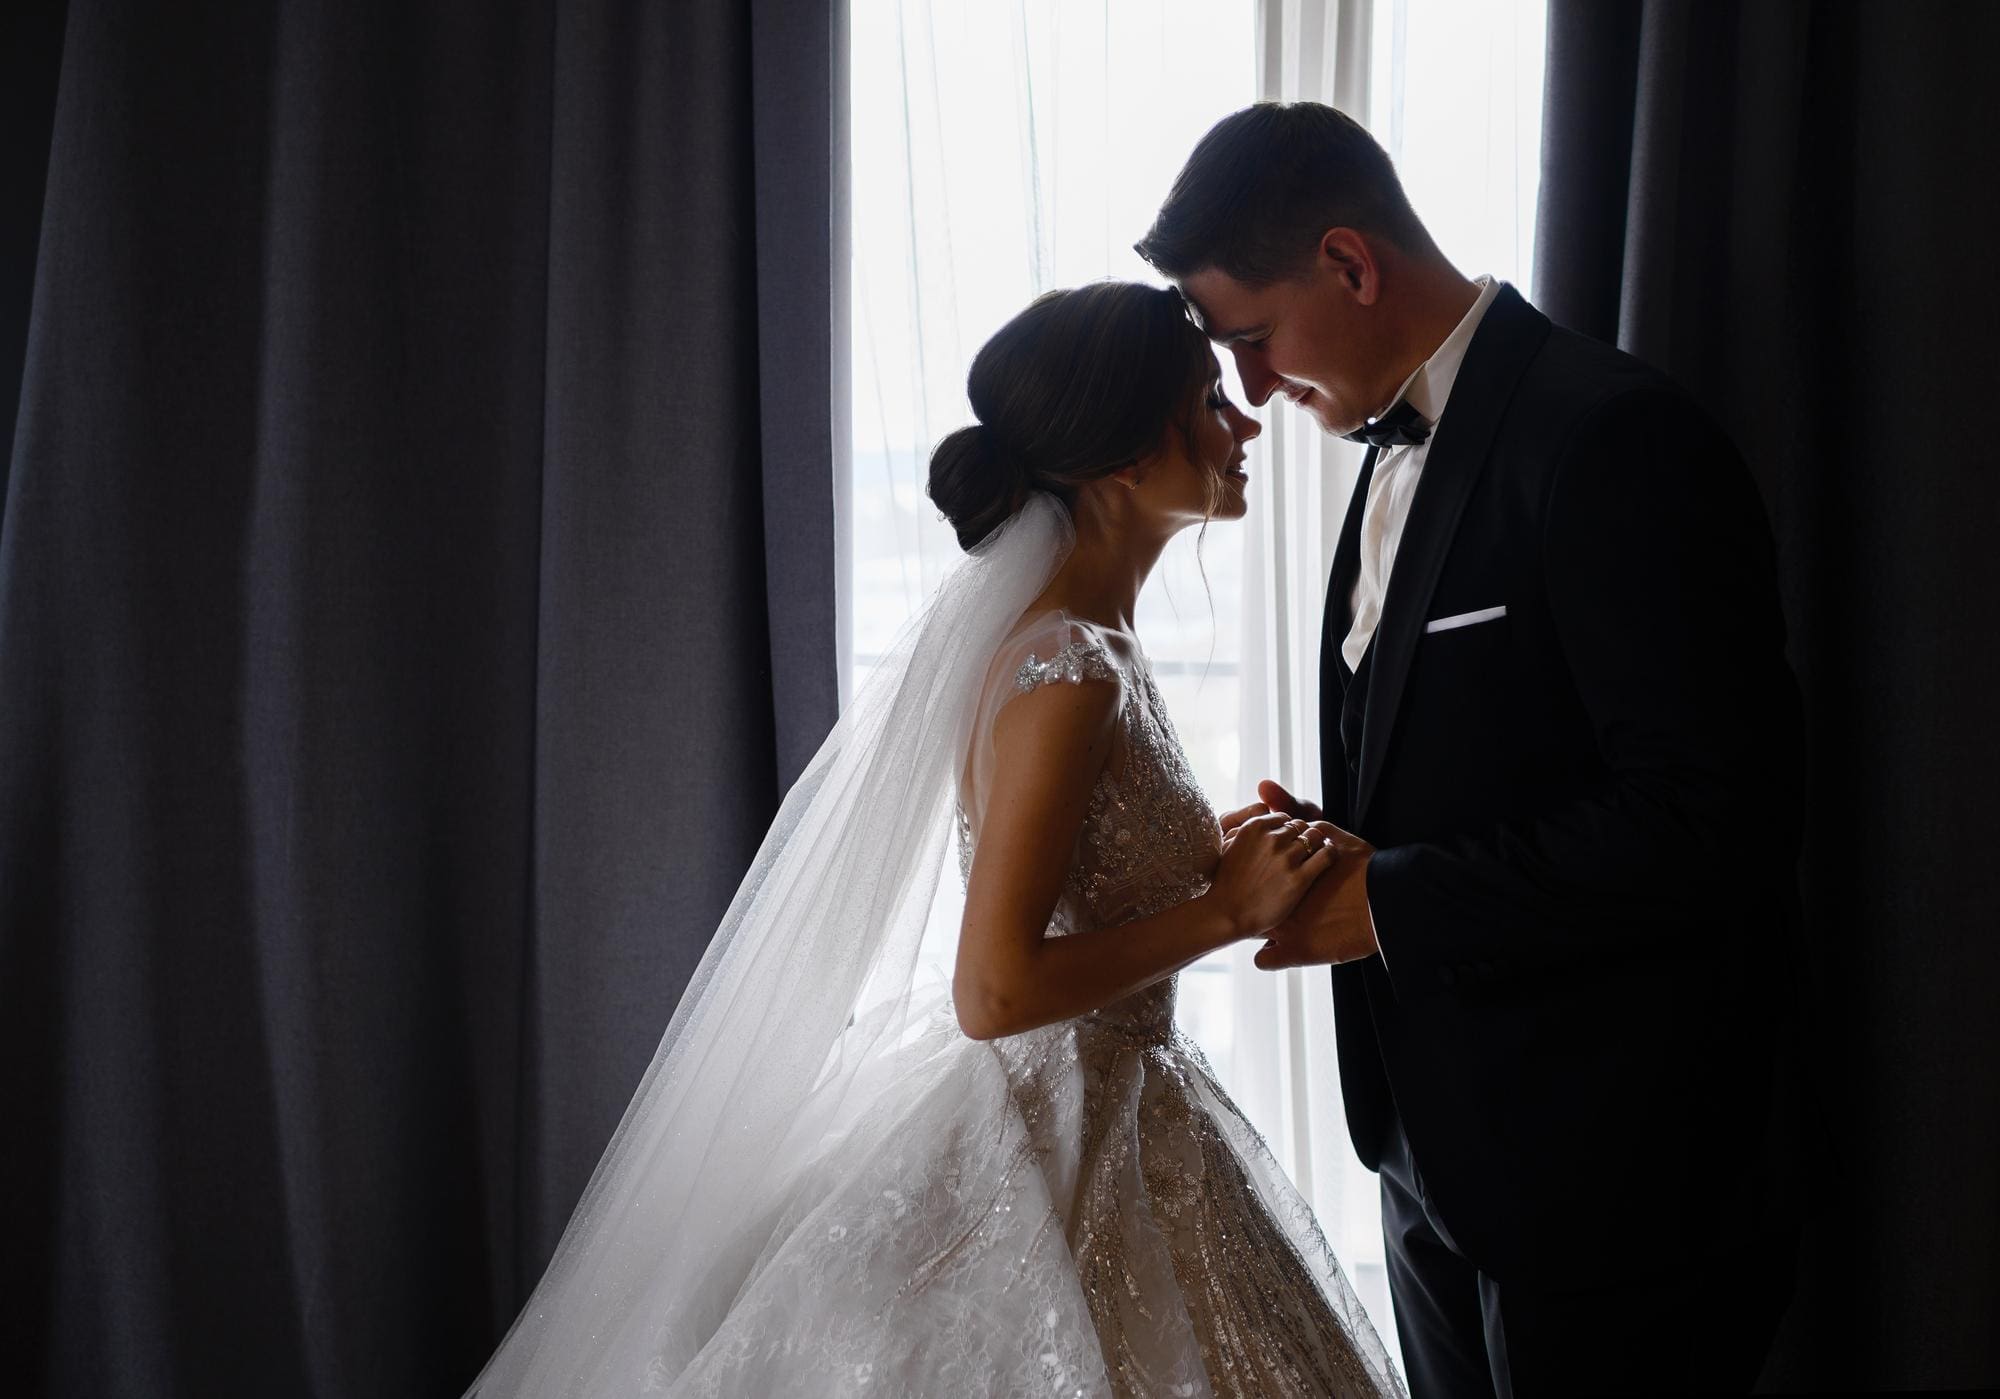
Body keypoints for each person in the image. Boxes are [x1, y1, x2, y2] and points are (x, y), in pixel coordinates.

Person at [461, 280, 1405, 1398]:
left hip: (1114, 1107)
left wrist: (1227, 859)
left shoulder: (1087, 645)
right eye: (1208, 402)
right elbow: (993, 990)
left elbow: (1084, 883)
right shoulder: (1067, 673)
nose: (1243, 423)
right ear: (1120, 460)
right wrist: (1219, 911)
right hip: (1063, 1130)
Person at [1138, 102, 1807, 1397]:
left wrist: (1382, 898)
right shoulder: (1385, 443)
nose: (1253, 393)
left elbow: (1714, 820)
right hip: (1429, 1160)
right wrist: (1354, 848)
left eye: (1255, 341)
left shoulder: (1612, 438)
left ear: (1348, 261)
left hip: (1620, 1191)